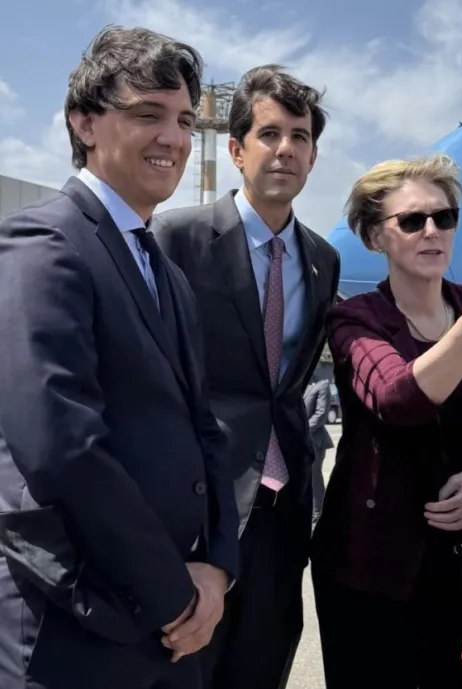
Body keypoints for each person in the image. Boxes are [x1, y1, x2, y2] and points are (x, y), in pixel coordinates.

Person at [0, 25, 239, 689]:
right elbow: (63, 447)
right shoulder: (39, 243)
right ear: (84, 123)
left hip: (168, 625)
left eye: (182, 119)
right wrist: (174, 593)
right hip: (70, 621)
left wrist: (216, 567)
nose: (173, 138)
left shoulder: (163, 271)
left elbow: (204, 427)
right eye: (147, 114)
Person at [310, 154, 462, 689]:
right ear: (376, 237)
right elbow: (397, 399)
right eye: (412, 220)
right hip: (369, 568)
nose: (432, 232)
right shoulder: (357, 319)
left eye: (444, 218)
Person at [152, 64, 340, 689]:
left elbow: (287, 382)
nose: (285, 149)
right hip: (200, 499)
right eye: (269, 134)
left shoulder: (323, 258)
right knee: (186, 662)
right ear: (236, 150)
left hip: (285, 502)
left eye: (300, 136)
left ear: (313, 156)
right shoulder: (177, 237)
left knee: (264, 659)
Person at [303, 371, 334, 524]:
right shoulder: (301, 385)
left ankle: (317, 513)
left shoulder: (323, 385)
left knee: (314, 476)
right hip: (299, 440)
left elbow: (321, 414)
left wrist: (301, 430)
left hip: (315, 440)